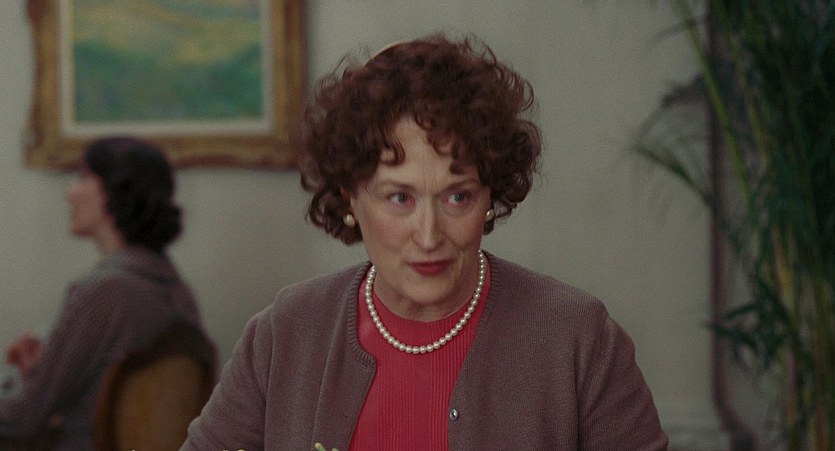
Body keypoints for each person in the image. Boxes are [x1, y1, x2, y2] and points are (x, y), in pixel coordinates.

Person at [182, 34, 668, 450]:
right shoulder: (286, 333)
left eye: (458, 197)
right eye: (400, 198)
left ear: (490, 196)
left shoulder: (578, 339)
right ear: (351, 196)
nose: (430, 235)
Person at [0, 137, 216, 449]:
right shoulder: (177, 291)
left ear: (115, 191)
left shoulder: (104, 292)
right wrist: (39, 374)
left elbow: (22, 418)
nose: (69, 192)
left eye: (83, 177)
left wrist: (21, 385)